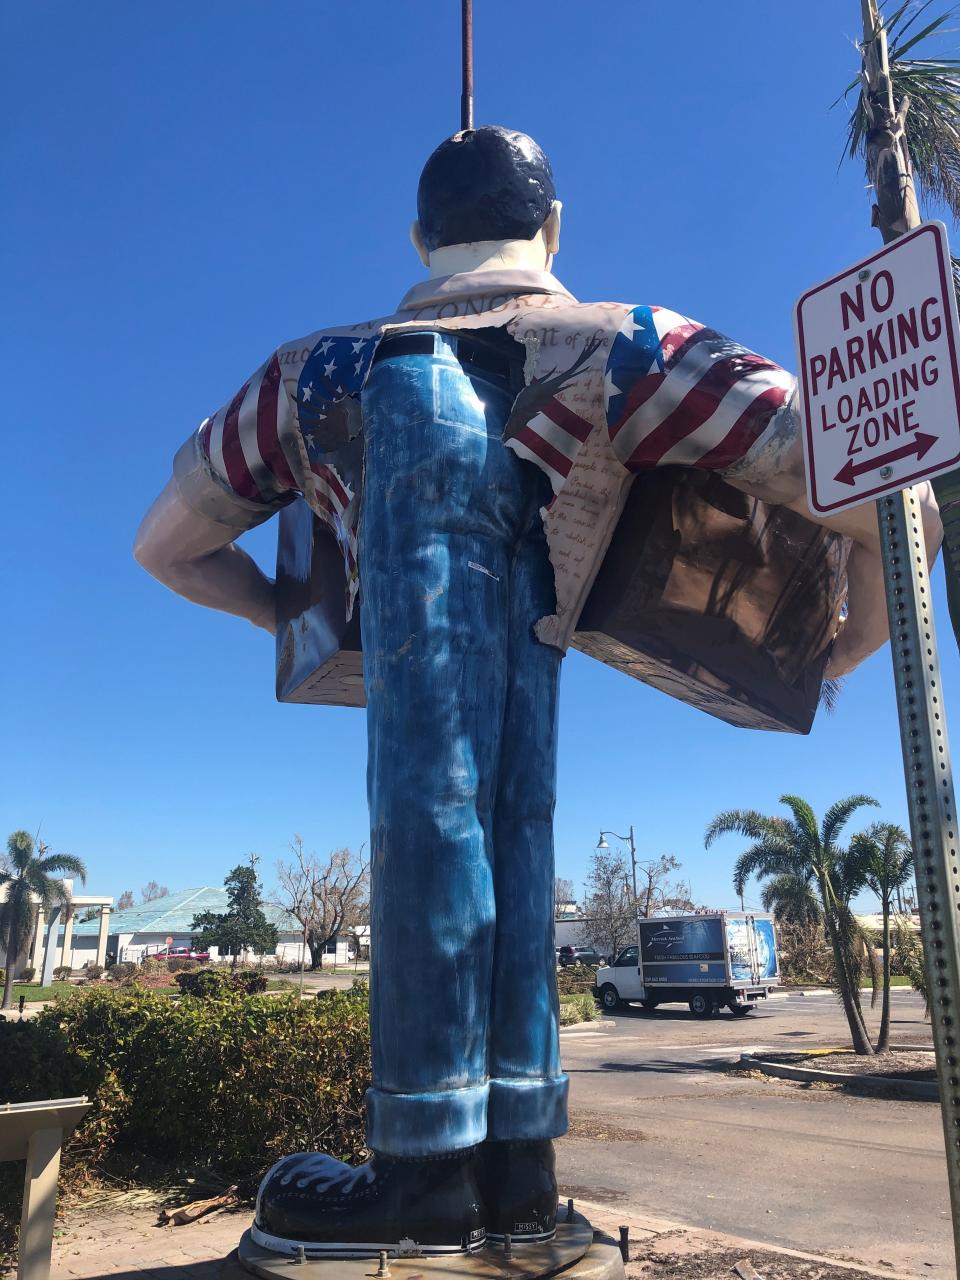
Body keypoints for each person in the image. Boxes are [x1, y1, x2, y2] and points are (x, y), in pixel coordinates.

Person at [134, 126, 941, 1259]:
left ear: (420, 240)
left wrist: (294, 617)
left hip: (413, 642)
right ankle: (520, 1166)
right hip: (538, 635)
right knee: (518, 825)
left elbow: (165, 548)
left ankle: (422, 1168)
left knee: (428, 816)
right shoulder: (634, 344)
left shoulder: (308, 372)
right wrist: (853, 620)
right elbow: (877, 482)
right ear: (553, 229)